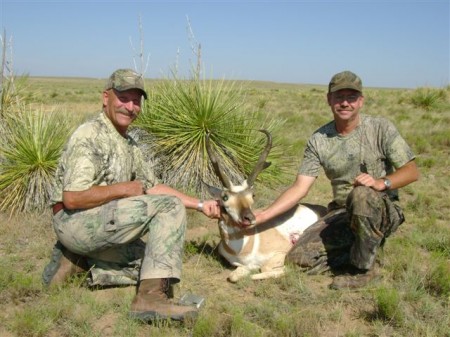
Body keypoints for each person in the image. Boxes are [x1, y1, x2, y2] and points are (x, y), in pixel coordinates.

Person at [42, 68, 220, 321]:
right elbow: (72, 198)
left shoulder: (128, 143)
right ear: (106, 98)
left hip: (102, 225)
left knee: (156, 265)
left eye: (136, 101)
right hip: (74, 222)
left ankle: (78, 262)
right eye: (123, 98)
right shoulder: (89, 135)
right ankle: (148, 301)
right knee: (168, 209)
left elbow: (153, 186)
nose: (130, 107)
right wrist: (124, 189)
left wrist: (202, 205)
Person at [255, 70, 419, 289]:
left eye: (351, 97)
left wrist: (381, 183)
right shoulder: (319, 140)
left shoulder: (381, 128)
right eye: (339, 97)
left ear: (361, 101)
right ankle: (361, 248)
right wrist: (264, 215)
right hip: (341, 213)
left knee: (361, 194)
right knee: (298, 260)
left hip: (382, 209)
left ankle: (364, 270)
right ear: (329, 100)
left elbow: (411, 171)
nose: (345, 103)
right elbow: (300, 187)